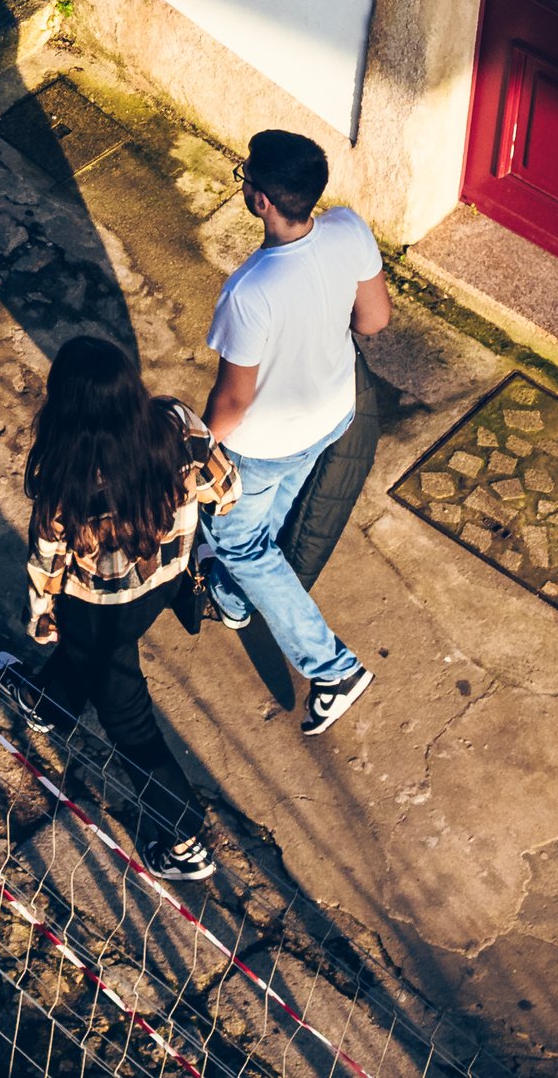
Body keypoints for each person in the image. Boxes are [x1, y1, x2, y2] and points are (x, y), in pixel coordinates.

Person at [0, 334, 236, 884]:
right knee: (91, 663)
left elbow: (48, 563)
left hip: (100, 608)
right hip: (164, 585)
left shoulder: (64, 478)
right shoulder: (174, 424)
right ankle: (49, 704)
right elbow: (228, 490)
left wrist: (41, 619)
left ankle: (183, 840)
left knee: (128, 719)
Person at [198, 128, 389, 737]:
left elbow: (235, 398)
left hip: (262, 444)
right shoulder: (348, 230)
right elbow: (376, 319)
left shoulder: (251, 290)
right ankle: (232, 597)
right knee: (269, 521)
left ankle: (332, 667)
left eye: (246, 176)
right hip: (332, 413)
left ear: (260, 201)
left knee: (239, 540)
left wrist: (196, 449)